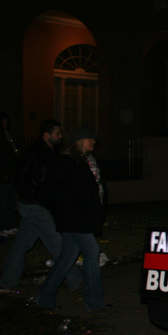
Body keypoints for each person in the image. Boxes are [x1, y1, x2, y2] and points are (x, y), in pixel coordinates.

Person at [0, 119, 83, 294]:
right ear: (47, 134)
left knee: (21, 245)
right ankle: (76, 280)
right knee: (56, 242)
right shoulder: (35, 153)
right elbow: (24, 180)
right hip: (35, 206)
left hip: (34, 205)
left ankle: (7, 281)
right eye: (57, 133)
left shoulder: (48, 152)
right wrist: (42, 199)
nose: (60, 136)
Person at [34, 126, 108, 311]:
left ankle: (44, 297)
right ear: (80, 140)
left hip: (80, 218)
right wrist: (71, 208)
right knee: (92, 252)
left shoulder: (86, 160)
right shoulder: (66, 161)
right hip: (74, 218)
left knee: (67, 257)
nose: (94, 142)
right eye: (90, 138)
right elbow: (54, 189)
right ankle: (94, 301)